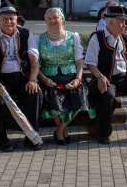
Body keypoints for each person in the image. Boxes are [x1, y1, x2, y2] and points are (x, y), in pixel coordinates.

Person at [85, 5, 127, 144]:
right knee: (107, 95)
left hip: (123, 78)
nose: (125, 25)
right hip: (106, 78)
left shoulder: (125, 38)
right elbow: (90, 62)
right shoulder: (97, 38)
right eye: (122, 22)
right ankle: (103, 133)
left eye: (126, 22)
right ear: (110, 23)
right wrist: (99, 76)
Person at [0, 2, 43, 152]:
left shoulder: (26, 34)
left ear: (17, 19)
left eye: (12, 18)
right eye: (4, 18)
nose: (8, 22)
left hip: (23, 77)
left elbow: (34, 60)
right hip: (2, 78)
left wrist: (33, 79)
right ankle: (2, 138)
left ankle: (31, 136)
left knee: (35, 92)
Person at [37, 8, 95, 145]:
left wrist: (78, 78)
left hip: (71, 77)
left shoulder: (72, 37)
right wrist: (44, 79)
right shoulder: (38, 39)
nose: (52, 21)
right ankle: (62, 132)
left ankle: (60, 130)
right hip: (49, 79)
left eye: (55, 17)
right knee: (51, 98)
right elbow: (35, 64)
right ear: (45, 22)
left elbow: (79, 62)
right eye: (49, 18)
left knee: (81, 96)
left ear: (62, 19)